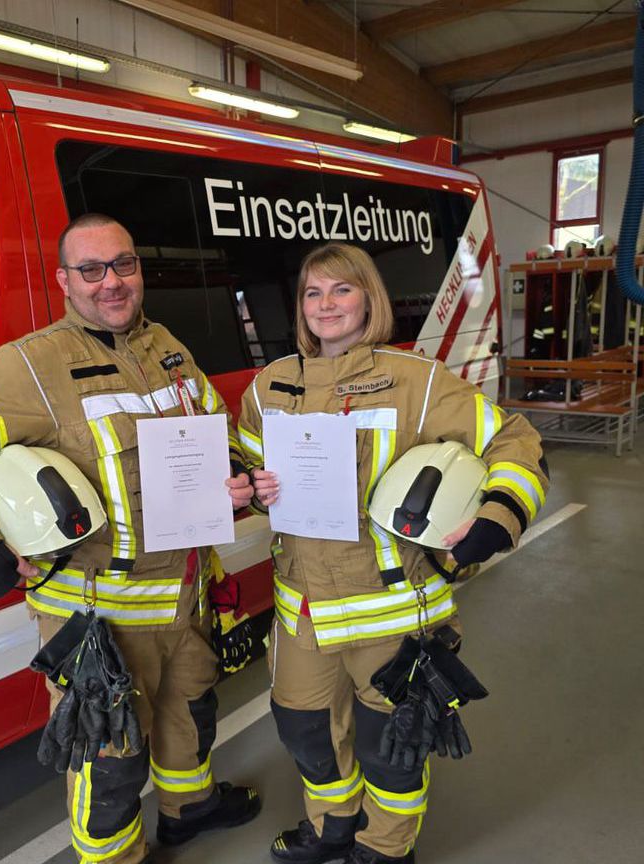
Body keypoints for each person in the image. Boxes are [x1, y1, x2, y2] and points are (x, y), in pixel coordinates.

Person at [0, 213, 261, 864]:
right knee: (110, 757)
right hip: (100, 616)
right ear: (65, 281)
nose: (111, 282)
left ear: (138, 269)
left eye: (123, 264)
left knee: (190, 715)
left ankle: (189, 808)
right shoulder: (32, 365)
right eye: (92, 270)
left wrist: (235, 472)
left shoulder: (168, 349)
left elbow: (214, 427)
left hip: (184, 596)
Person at [238, 242, 548, 864]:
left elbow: (514, 439)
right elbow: (246, 458)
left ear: (369, 299)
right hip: (302, 611)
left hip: (391, 607)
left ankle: (386, 847)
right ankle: (333, 826)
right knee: (304, 729)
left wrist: (498, 516)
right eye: (313, 292)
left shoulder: (417, 380)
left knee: (391, 744)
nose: (326, 305)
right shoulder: (269, 385)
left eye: (342, 289)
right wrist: (249, 485)